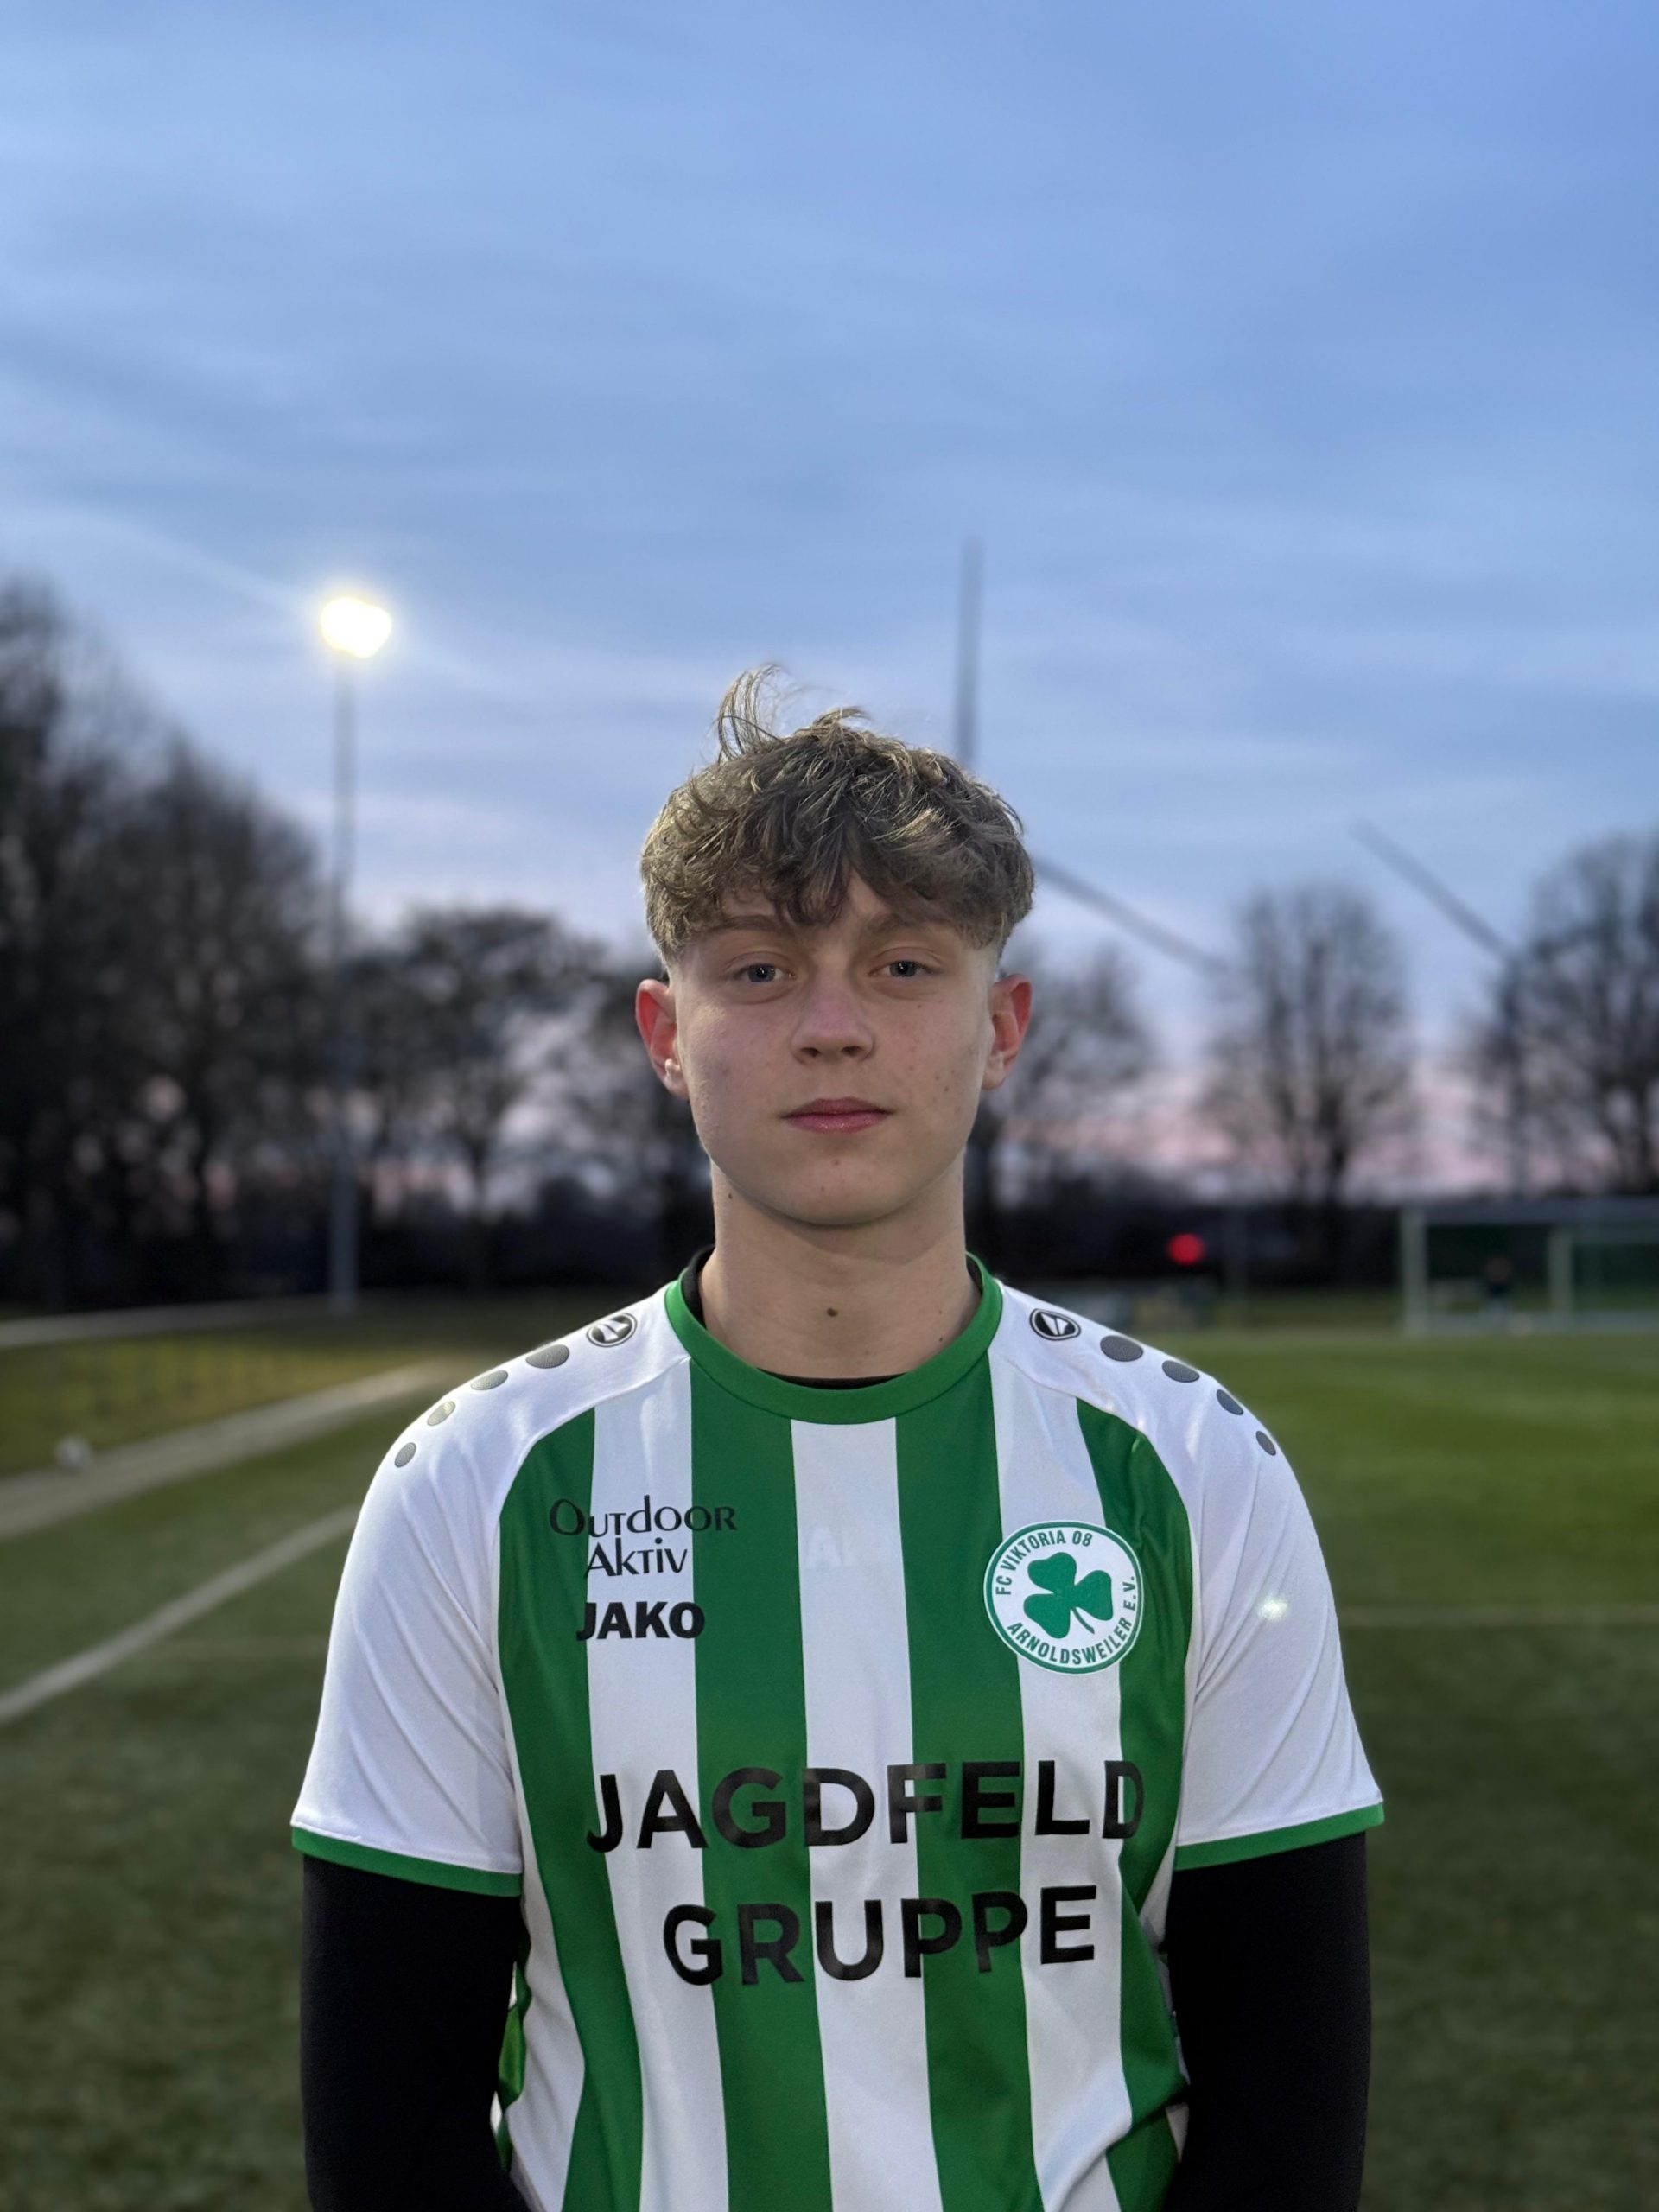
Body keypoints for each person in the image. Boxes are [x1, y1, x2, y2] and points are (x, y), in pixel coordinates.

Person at [294, 673, 1383, 2212]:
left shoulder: (1194, 1468)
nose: (831, 1029)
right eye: (759, 969)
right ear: (667, 1035)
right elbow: (391, 2125)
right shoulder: (476, 1484)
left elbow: (1285, 2102)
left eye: (903, 965)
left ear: (1001, 1027)